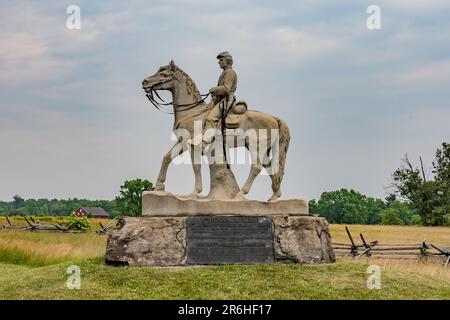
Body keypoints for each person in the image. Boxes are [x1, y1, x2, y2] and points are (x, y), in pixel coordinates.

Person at [202, 51, 238, 148]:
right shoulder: (225, 72)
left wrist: (215, 89)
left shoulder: (230, 72)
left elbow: (226, 89)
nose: (219, 62)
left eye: (221, 60)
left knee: (211, 118)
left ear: (227, 61)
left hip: (226, 100)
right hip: (220, 100)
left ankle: (205, 142)